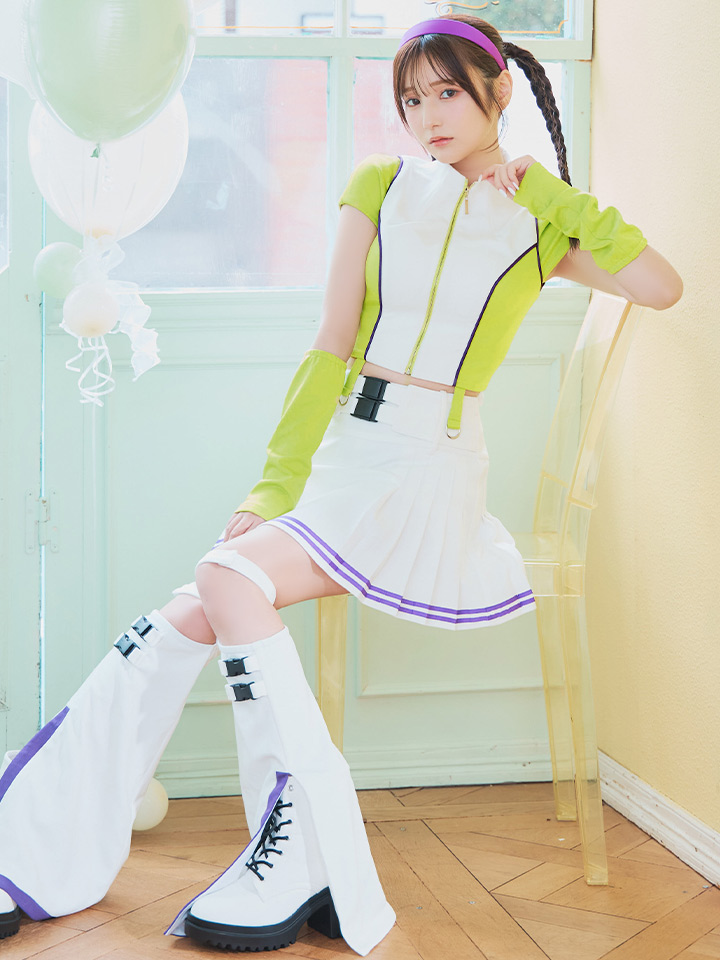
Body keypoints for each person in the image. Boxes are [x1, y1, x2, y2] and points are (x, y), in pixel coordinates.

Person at [0, 12, 682, 956]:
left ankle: (293, 846)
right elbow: (328, 345)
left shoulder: (539, 218)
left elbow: (658, 285)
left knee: (221, 581)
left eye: (448, 92)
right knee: (192, 607)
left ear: (498, 93)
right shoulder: (379, 186)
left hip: (431, 467)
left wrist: (554, 193)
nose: (427, 115)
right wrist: (272, 487)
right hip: (347, 460)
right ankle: (36, 841)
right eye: (412, 98)